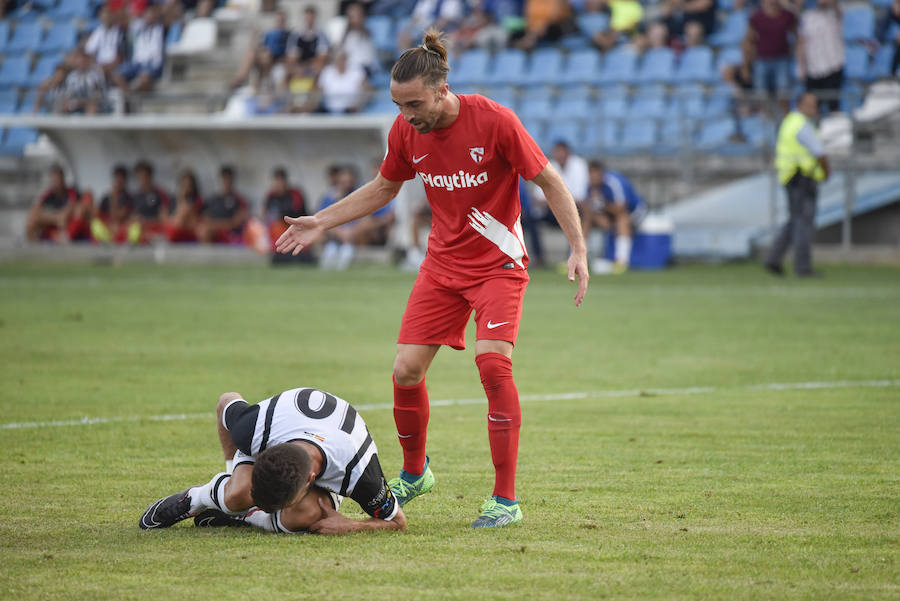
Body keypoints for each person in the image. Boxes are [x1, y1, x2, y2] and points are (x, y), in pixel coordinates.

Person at [275, 31, 589, 529]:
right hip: (442, 268)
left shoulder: (495, 121)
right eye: (399, 105)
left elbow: (549, 180)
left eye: (414, 103)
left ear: (442, 90)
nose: (407, 115)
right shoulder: (406, 132)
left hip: (498, 265)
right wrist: (321, 220)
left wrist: (577, 247)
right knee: (405, 371)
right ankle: (416, 472)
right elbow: (383, 187)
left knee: (493, 365)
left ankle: (505, 500)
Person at [139, 387, 405, 534]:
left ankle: (246, 516)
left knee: (307, 514)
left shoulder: (360, 473)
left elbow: (397, 522)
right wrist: (233, 472)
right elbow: (226, 401)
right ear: (262, 454)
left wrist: (349, 525)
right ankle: (200, 498)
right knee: (237, 495)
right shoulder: (252, 430)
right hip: (279, 429)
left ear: (311, 479)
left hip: (336, 452)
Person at [765, 92, 829, 278]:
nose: (814, 109)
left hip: (790, 176)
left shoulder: (790, 121)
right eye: (810, 104)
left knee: (795, 220)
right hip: (802, 177)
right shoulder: (802, 125)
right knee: (803, 222)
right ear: (800, 104)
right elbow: (819, 153)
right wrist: (827, 171)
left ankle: (773, 258)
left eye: (815, 105)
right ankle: (802, 267)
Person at [317, 165, 394, 270]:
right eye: (343, 182)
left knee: (367, 222)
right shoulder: (331, 196)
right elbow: (320, 218)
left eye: (349, 181)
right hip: (338, 235)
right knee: (325, 225)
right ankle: (335, 249)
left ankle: (347, 249)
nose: (346, 184)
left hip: (359, 235)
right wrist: (341, 232)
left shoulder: (364, 194)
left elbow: (384, 216)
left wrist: (352, 232)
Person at [581, 161, 648, 274]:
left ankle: (621, 262)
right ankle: (579, 258)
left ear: (601, 174)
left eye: (595, 174)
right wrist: (599, 217)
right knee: (586, 219)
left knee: (623, 219)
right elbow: (588, 207)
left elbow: (621, 208)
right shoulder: (590, 186)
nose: (592, 177)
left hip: (635, 211)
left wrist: (603, 206)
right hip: (609, 213)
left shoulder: (614, 183)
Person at [796, 0, 844, 114]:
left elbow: (837, 8)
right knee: (812, 106)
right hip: (813, 68)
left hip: (833, 66)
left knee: (833, 105)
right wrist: (801, 66)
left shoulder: (833, 14)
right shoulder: (807, 17)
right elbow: (802, 43)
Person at [748, 0, 797, 105]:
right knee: (761, 94)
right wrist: (747, 63)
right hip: (761, 60)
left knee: (783, 93)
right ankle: (765, 120)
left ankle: (784, 119)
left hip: (782, 60)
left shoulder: (788, 16)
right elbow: (749, 40)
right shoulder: (757, 17)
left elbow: (797, 36)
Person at [25, 164, 90, 242]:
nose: (56, 183)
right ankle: (32, 244)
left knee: (79, 210)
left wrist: (59, 217)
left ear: (63, 179)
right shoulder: (47, 196)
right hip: (52, 227)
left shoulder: (72, 193)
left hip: (67, 228)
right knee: (33, 218)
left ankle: (65, 238)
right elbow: (34, 212)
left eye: (58, 180)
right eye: (54, 180)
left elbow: (66, 215)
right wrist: (54, 218)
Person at [197, 165, 249, 244]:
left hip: (230, 234)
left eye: (229, 179)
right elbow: (204, 219)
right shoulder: (212, 200)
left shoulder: (239, 200)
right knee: (202, 230)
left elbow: (235, 222)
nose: (227, 182)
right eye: (225, 179)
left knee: (206, 231)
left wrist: (215, 225)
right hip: (213, 231)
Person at [262, 166, 307, 249]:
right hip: (277, 229)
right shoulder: (271, 196)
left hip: (295, 227)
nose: (279, 184)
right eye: (277, 181)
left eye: (281, 181)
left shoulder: (295, 194)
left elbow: (298, 215)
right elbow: (265, 214)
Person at [128, 160, 172, 244]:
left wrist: (148, 222)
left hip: (155, 228)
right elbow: (131, 216)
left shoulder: (160, 194)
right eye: (139, 177)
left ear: (150, 176)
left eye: (144, 176)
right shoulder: (135, 196)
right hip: (139, 229)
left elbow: (164, 218)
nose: (142, 179)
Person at [91, 164, 133, 244]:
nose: (118, 182)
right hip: (108, 227)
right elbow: (97, 214)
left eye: (121, 179)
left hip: (121, 227)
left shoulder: (128, 198)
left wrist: (114, 198)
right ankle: (106, 241)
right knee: (95, 224)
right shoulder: (106, 197)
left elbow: (118, 217)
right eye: (116, 178)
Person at [165, 169, 203, 242]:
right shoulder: (173, 200)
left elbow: (197, 219)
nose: (186, 187)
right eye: (184, 184)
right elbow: (167, 216)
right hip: (175, 226)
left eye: (189, 185)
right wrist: (181, 199)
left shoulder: (197, 200)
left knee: (186, 209)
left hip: (190, 228)